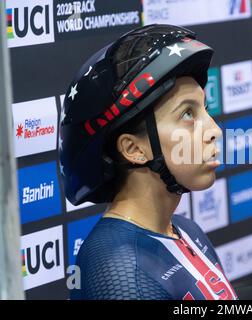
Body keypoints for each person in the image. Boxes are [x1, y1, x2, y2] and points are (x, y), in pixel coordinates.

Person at [58, 24, 238, 300]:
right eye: (188, 114)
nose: (214, 130)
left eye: (205, 109)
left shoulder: (187, 230)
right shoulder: (119, 272)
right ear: (133, 148)